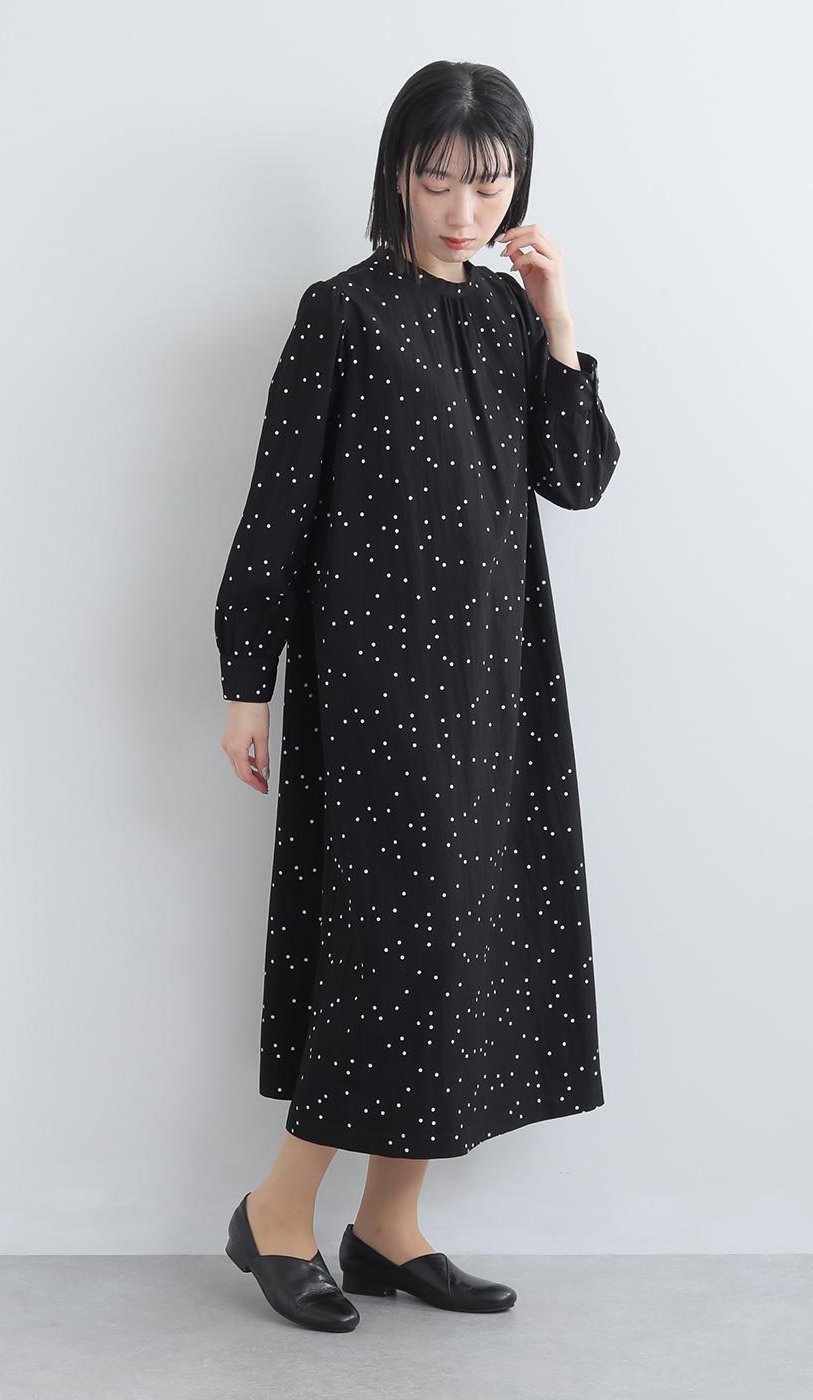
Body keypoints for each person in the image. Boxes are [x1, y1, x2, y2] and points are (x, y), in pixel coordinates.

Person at [215, 60, 621, 1332]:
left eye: (489, 185)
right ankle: (278, 1207)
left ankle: (389, 1225)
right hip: (377, 685)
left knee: (463, 948)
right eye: (439, 180)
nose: (463, 210)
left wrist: (557, 318)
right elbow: (278, 503)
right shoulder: (341, 312)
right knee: (388, 947)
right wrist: (246, 682)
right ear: (399, 172)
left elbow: (578, 476)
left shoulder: (504, 312)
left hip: (498, 684)